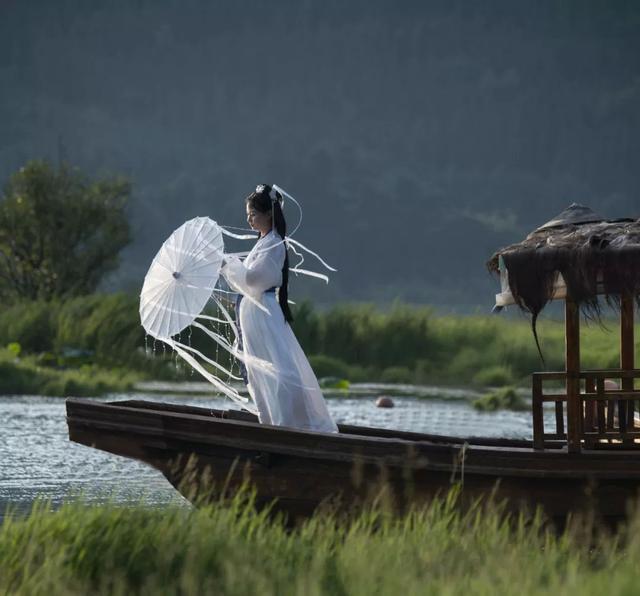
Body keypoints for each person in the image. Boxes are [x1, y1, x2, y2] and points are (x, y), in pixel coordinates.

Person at [220, 184, 338, 433]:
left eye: (253, 214)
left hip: (263, 313)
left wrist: (229, 265)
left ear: (268, 215)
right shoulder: (263, 243)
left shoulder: (274, 244)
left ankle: (289, 424)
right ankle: (270, 423)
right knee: (258, 371)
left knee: (279, 369)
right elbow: (250, 280)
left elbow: (254, 280)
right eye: (248, 215)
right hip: (255, 312)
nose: (250, 220)